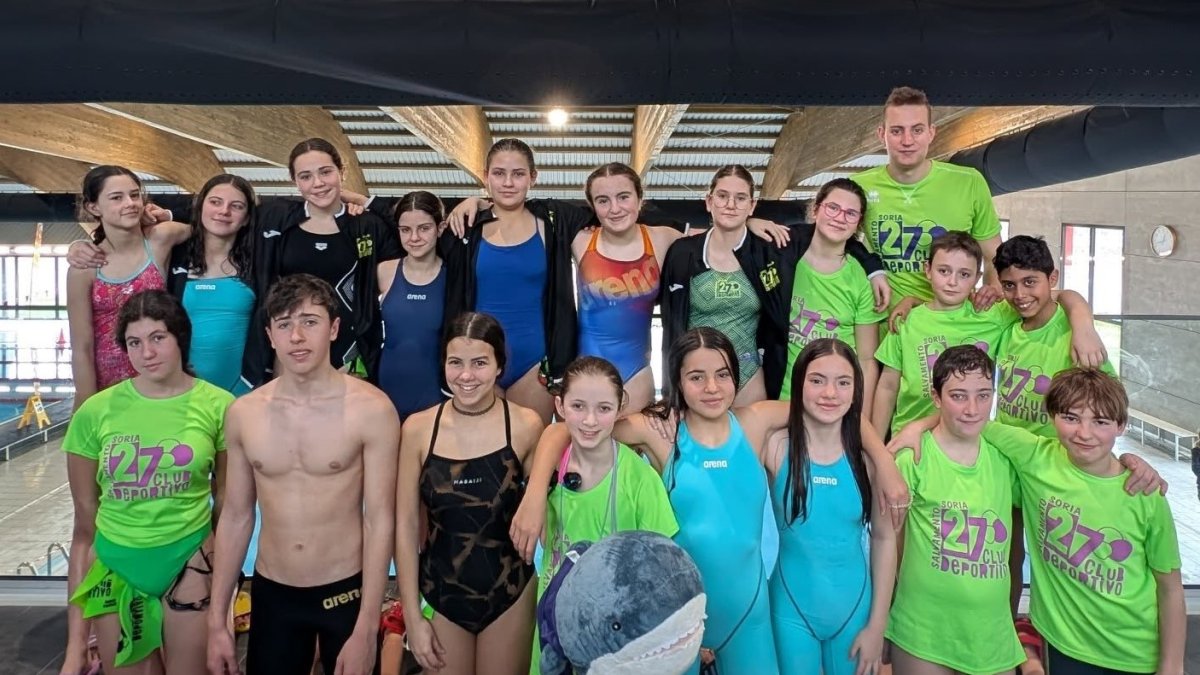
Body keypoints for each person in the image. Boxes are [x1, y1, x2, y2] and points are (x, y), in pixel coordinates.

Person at [512, 328, 909, 675]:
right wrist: (533, 495)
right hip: (678, 621)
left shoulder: (753, 423)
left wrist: (885, 463)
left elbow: (834, 405)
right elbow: (567, 429)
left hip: (749, 618)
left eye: (722, 375)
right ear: (678, 382)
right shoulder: (660, 433)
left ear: (735, 377)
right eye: (696, 377)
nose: (712, 388)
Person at [443, 150, 791, 422]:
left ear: (640, 199)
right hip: (586, 367)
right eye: (603, 201)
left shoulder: (664, 238)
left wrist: (750, 219)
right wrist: (478, 201)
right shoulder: (580, 240)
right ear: (592, 206)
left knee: (641, 452)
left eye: (624, 197)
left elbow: (718, 232)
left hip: (638, 371)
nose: (614, 208)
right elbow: (519, 209)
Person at [890, 369, 1182, 675]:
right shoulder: (1035, 456)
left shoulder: (1145, 493)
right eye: (1071, 418)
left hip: (1134, 653)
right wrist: (916, 427)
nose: (1084, 433)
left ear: (1121, 426)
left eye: (1100, 421)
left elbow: (1170, 587)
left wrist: (1172, 665)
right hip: (1062, 645)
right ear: (1052, 416)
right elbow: (967, 419)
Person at [207, 274, 400, 675]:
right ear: (270, 335)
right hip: (273, 592)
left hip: (345, 590)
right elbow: (236, 516)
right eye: (284, 324)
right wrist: (217, 618)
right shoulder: (245, 413)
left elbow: (380, 519)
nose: (297, 336)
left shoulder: (372, 410)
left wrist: (366, 627)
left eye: (310, 321)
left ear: (333, 328)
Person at [64, 289, 233, 674]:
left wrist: (227, 593)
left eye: (158, 338)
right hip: (115, 565)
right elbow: (83, 531)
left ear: (179, 338)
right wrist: (76, 645)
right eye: (134, 342)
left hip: (189, 561)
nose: (147, 353)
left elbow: (227, 506)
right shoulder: (95, 412)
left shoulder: (220, 406)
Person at [660, 165, 888, 405]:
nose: (731, 204)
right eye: (723, 196)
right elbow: (670, 326)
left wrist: (874, 268)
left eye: (740, 198)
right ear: (709, 201)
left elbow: (835, 235)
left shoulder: (769, 249)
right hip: (695, 374)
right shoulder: (682, 253)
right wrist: (669, 391)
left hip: (749, 374)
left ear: (752, 204)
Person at [396, 312, 545, 675]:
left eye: (480, 363)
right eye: (455, 363)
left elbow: (560, 457)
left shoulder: (525, 425)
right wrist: (412, 618)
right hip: (442, 592)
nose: (466, 375)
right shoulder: (418, 429)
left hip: (510, 593)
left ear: (499, 367)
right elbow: (403, 525)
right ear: (443, 364)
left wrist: (537, 492)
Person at [529, 355, 680, 673]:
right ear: (559, 406)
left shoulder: (638, 479)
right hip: (555, 624)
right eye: (578, 406)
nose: (589, 421)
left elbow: (661, 569)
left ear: (620, 408)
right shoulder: (551, 469)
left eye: (604, 409)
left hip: (618, 634)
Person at [872, 232, 1103, 437]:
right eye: (944, 271)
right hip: (910, 437)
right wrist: (874, 450)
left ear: (977, 277)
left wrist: (1083, 325)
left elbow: (1051, 295)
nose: (952, 282)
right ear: (927, 270)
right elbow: (888, 386)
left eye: (964, 274)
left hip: (970, 438)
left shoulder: (993, 314)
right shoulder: (907, 320)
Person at [886, 346, 1025, 675]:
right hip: (922, 633)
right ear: (936, 398)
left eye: (983, 395)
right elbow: (888, 544)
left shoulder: (1007, 460)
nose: (972, 409)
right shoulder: (912, 459)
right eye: (958, 396)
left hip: (991, 638)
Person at [766, 339, 896, 675]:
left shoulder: (868, 461)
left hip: (854, 610)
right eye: (817, 380)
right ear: (799, 385)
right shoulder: (774, 448)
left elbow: (884, 539)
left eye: (843, 382)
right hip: (790, 610)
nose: (830, 393)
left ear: (856, 391)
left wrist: (877, 626)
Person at [244, 137, 401, 383]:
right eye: (305, 176)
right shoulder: (276, 217)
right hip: (291, 349)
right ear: (295, 181)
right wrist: (168, 213)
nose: (317, 183)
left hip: (349, 354)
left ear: (342, 172)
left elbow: (410, 225)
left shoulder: (366, 225)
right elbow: (221, 215)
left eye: (326, 172)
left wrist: (361, 200)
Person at [852, 85, 1005, 312]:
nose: (907, 140)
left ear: (931, 133)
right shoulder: (860, 186)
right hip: (885, 324)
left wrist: (992, 290)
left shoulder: (969, 182)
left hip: (950, 323)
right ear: (881, 134)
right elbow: (833, 245)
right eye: (896, 131)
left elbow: (994, 255)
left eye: (917, 130)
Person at [66, 166, 190, 407]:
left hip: (158, 377)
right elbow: (82, 347)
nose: (130, 203)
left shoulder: (159, 240)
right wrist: (87, 406)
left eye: (135, 195)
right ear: (93, 207)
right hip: (109, 388)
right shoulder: (85, 267)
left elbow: (202, 229)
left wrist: (166, 215)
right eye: (116, 198)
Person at [777, 179, 886, 412]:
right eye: (833, 208)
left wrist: (861, 421)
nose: (840, 217)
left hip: (837, 406)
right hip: (785, 400)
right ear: (816, 209)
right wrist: (753, 222)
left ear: (859, 222)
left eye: (850, 213)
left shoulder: (862, 278)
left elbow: (867, 360)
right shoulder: (783, 259)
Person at [994, 235, 1117, 437]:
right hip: (1005, 451)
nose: (1019, 295)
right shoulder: (1006, 324)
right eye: (1009, 285)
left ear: (1052, 278)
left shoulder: (1077, 337)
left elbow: (1111, 403)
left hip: (1052, 457)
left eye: (1030, 282)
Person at [165, 174, 258, 395]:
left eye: (236, 206)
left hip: (242, 391)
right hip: (182, 391)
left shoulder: (259, 265)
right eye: (215, 202)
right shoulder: (173, 258)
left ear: (246, 218)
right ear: (200, 207)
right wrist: (82, 246)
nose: (224, 211)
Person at [376, 191, 449, 420]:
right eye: (405, 230)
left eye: (424, 228)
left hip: (434, 392)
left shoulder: (453, 277)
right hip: (387, 389)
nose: (414, 237)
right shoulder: (384, 272)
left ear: (440, 228)